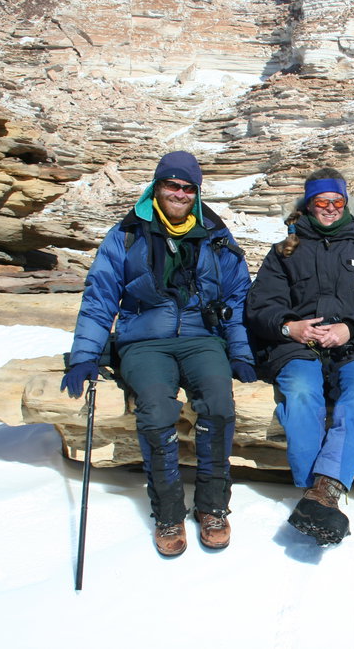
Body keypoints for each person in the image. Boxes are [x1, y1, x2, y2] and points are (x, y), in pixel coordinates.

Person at [60, 151, 256, 557]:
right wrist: (84, 355)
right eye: (172, 185)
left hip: (202, 337)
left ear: (196, 193)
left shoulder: (215, 235)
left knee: (219, 404)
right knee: (155, 409)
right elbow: (100, 297)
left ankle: (212, 506)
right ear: (157, 187)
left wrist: (240, 352)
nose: (180, 194)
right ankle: (168, 512)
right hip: (143, 340)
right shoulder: (127, 234)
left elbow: (237, 297)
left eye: (188, 188)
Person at [246, 168, 354, 546]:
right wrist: (289, 327)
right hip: (298, 345)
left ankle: (325, 489)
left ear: (346, 204)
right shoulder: (285, 251)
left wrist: (351, 327)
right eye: (321, 201)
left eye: (337, 201)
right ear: (308, 205)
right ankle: (313, 490)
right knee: (299, 391)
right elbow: (261, 304)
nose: (330, 208)